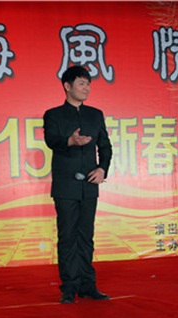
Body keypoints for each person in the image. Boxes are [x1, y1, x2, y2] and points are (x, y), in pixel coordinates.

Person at [43, 65, 113, 304]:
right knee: (67, 237)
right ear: (67, 86)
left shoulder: (95, 115)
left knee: (86, 236)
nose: (87, 88)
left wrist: (102, 169)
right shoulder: (53, 115)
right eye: (82, 83)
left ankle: (87, 285)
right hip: (65, 186)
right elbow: (51, 140)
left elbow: (105, 146)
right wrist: (69, 141)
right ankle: (68, 287)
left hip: (90, 185)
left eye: (88, 84)